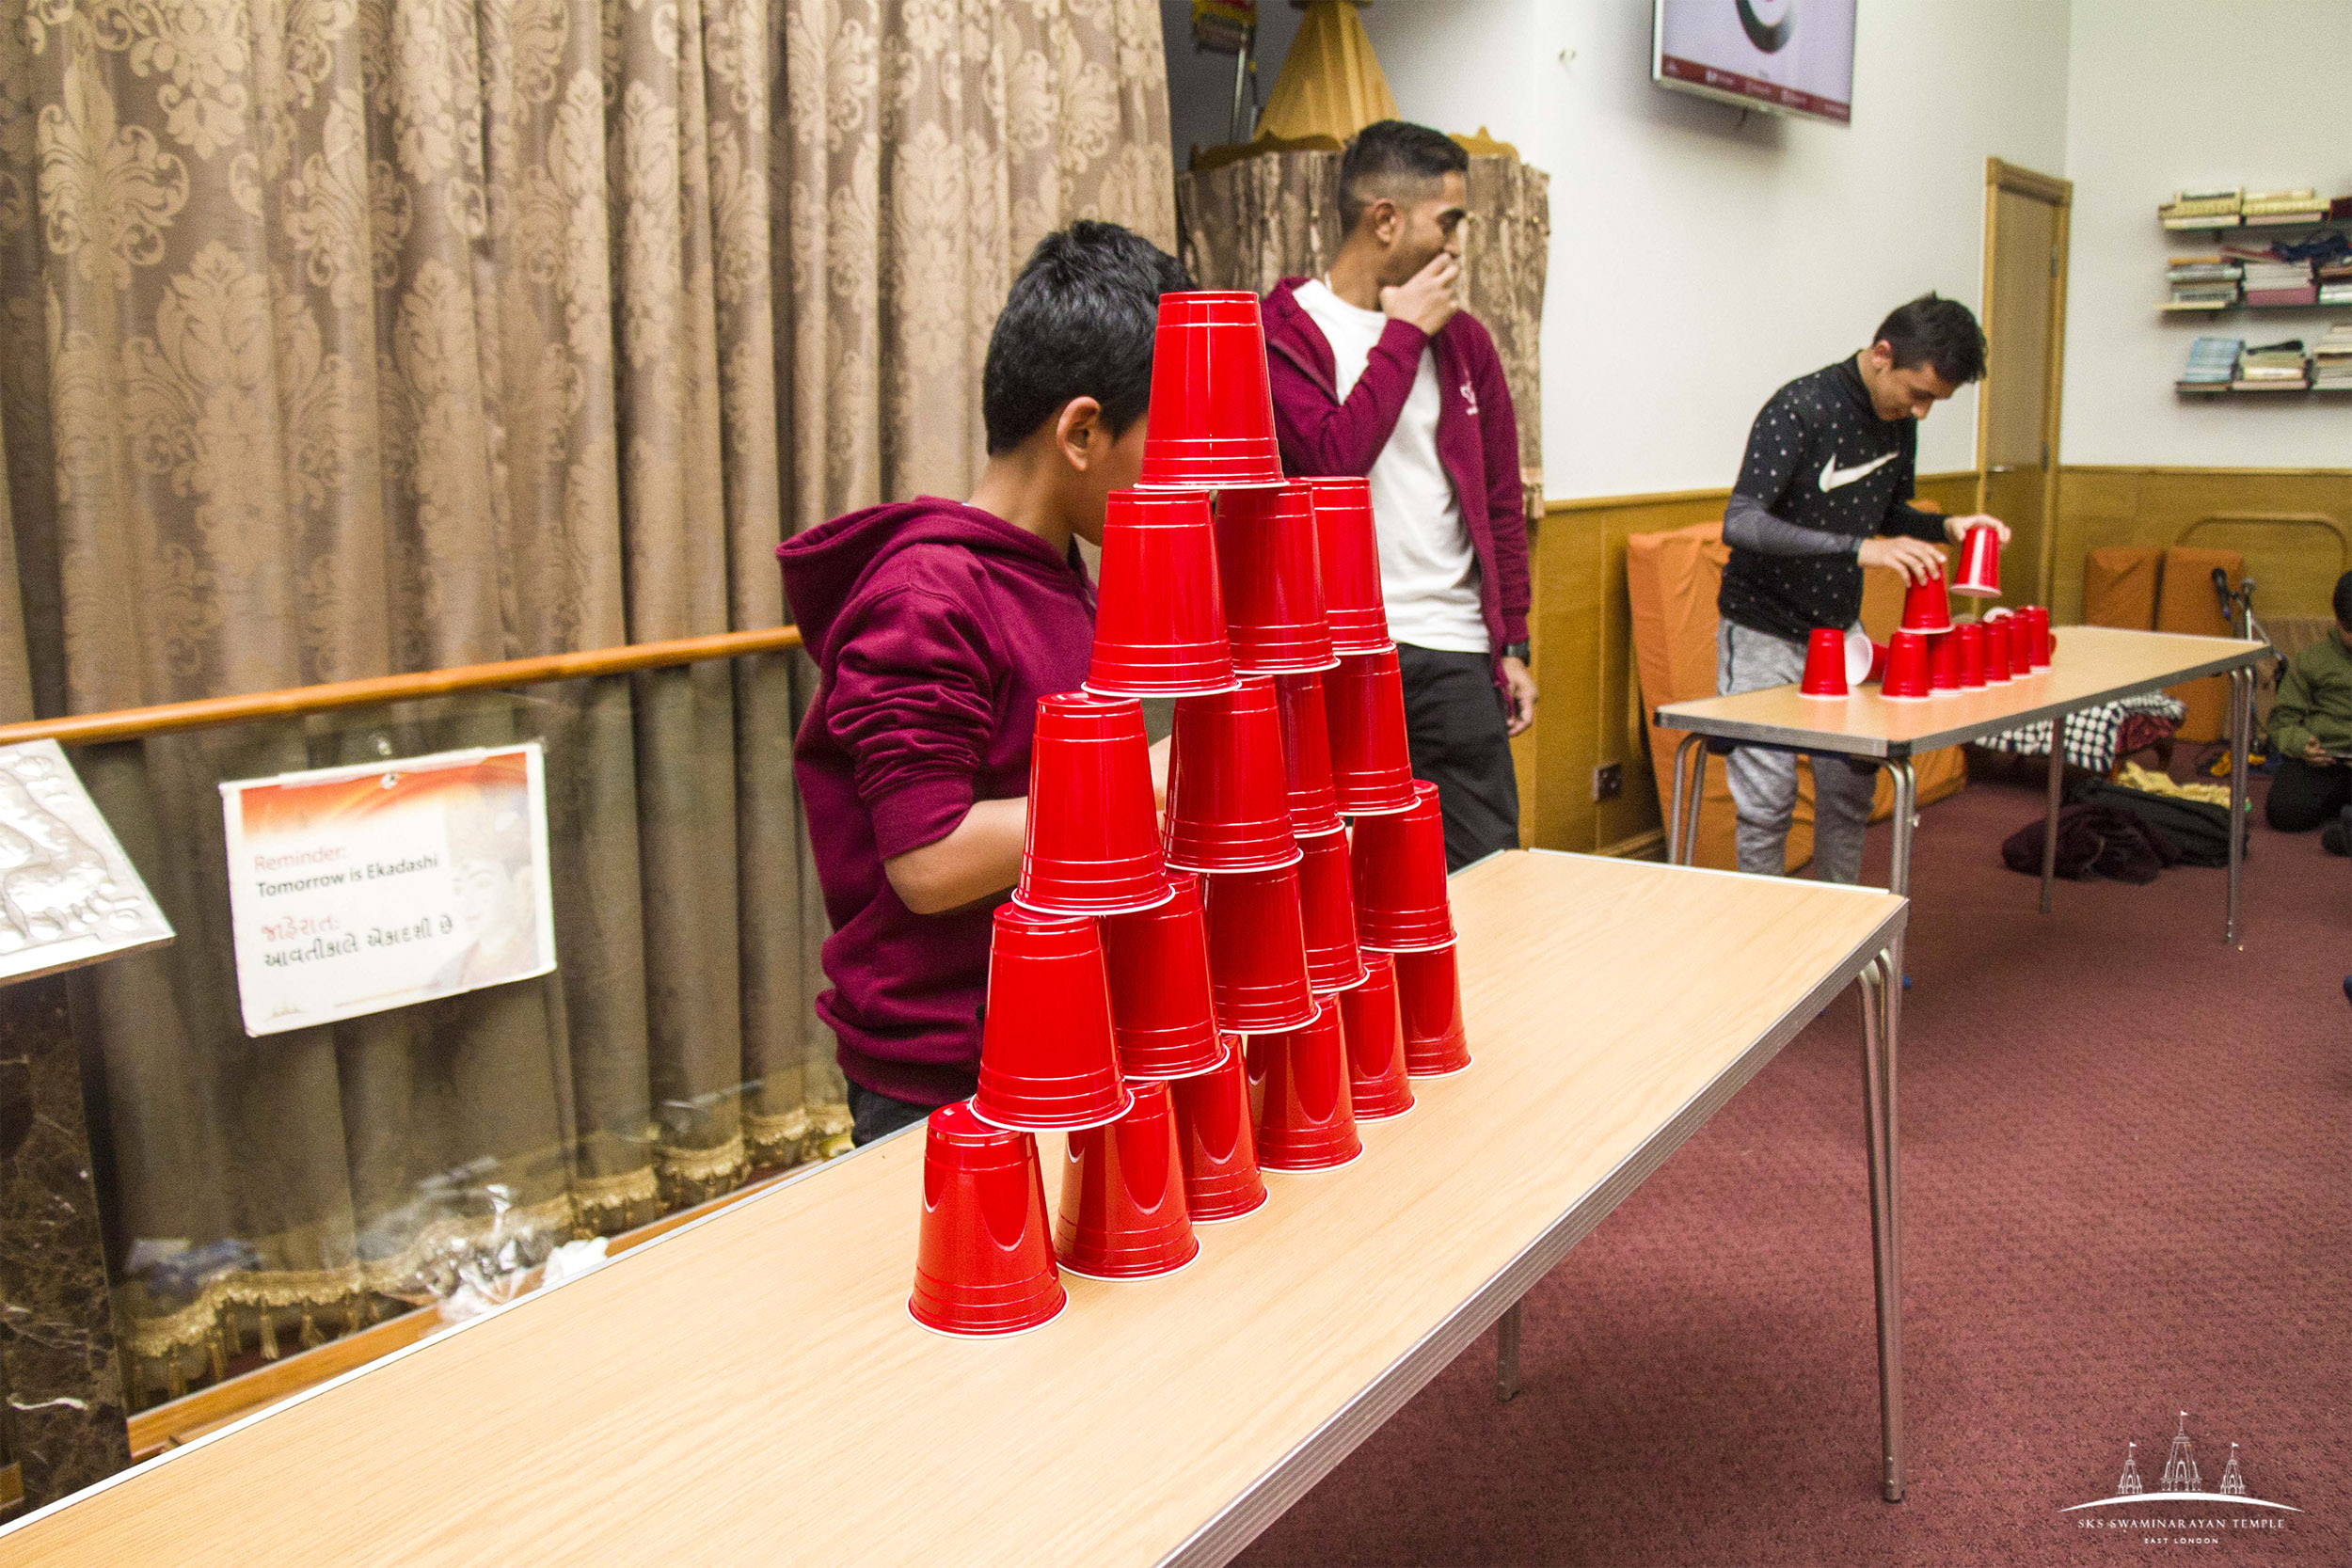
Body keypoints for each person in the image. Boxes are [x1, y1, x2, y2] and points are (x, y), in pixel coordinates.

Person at [780, 221, 1190, 1146]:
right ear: (1082, 430)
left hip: (1055, 1028)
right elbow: (928, 863)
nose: (1176, 481)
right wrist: (1159, 776)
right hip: (947, 1075)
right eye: (1163, 444)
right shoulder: (929, 595)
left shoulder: (1057, 574)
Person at [1260, 119, 1535, 871]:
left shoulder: (1467, 341)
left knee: (1493, 877)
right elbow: (1330, 465)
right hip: (1336, 658)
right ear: (1385, 218)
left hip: (1454, 648)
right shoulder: (1280, 333)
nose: (1456, 246)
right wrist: (1403, 334)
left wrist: (1513, 640)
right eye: (1447, 222)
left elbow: (1501, 499)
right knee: (1348, 884)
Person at [1716, 294, 2011, 881]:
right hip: (1761, 633)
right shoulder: (1800, 407)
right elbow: (1741, 522)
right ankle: (1763, 956)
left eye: (1936, 401)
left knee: (1849, 794)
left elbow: (1888, 514)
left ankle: (1837, 940)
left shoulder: (1900, 422)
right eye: (1918, 393)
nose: (1923, 412)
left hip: (1839, 633)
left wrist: (1948, 526)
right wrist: (1857, 549)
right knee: (1767, 807)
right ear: (1883, 355)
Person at [2263, 571, 2352, 851]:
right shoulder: (2312, 660)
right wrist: (2302, 745)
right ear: (2338, 621)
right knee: (2284, 811)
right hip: (2324, 761)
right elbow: (2281, 722)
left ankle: (2345, 831)